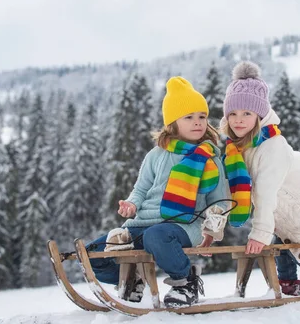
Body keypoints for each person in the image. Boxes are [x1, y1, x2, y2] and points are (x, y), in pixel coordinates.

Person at [86, 76, 230, 308]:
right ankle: (132, 280)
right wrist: (132, 205)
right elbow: (141, 188)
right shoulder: (156, 155)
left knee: (158, 235)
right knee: (93, 252)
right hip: (142, 224)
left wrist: (211, 233)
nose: (198, 122)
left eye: (202, 116)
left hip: (184, 225)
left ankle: (185, 282)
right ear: (172, 123)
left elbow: (220, 201)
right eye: (189, 117)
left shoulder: (209, 158)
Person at [220, 61, 300, 307]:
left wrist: (259, 233)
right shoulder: (238, 147)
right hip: (282, 204)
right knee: (282, 242)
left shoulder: (271, 145)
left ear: (260, 115)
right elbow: (230, 189)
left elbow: (265, 192)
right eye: (233, 113)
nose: (239, 120)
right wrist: (212, 227)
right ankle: (288, 293)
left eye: (247, 113)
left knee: (298, 246)